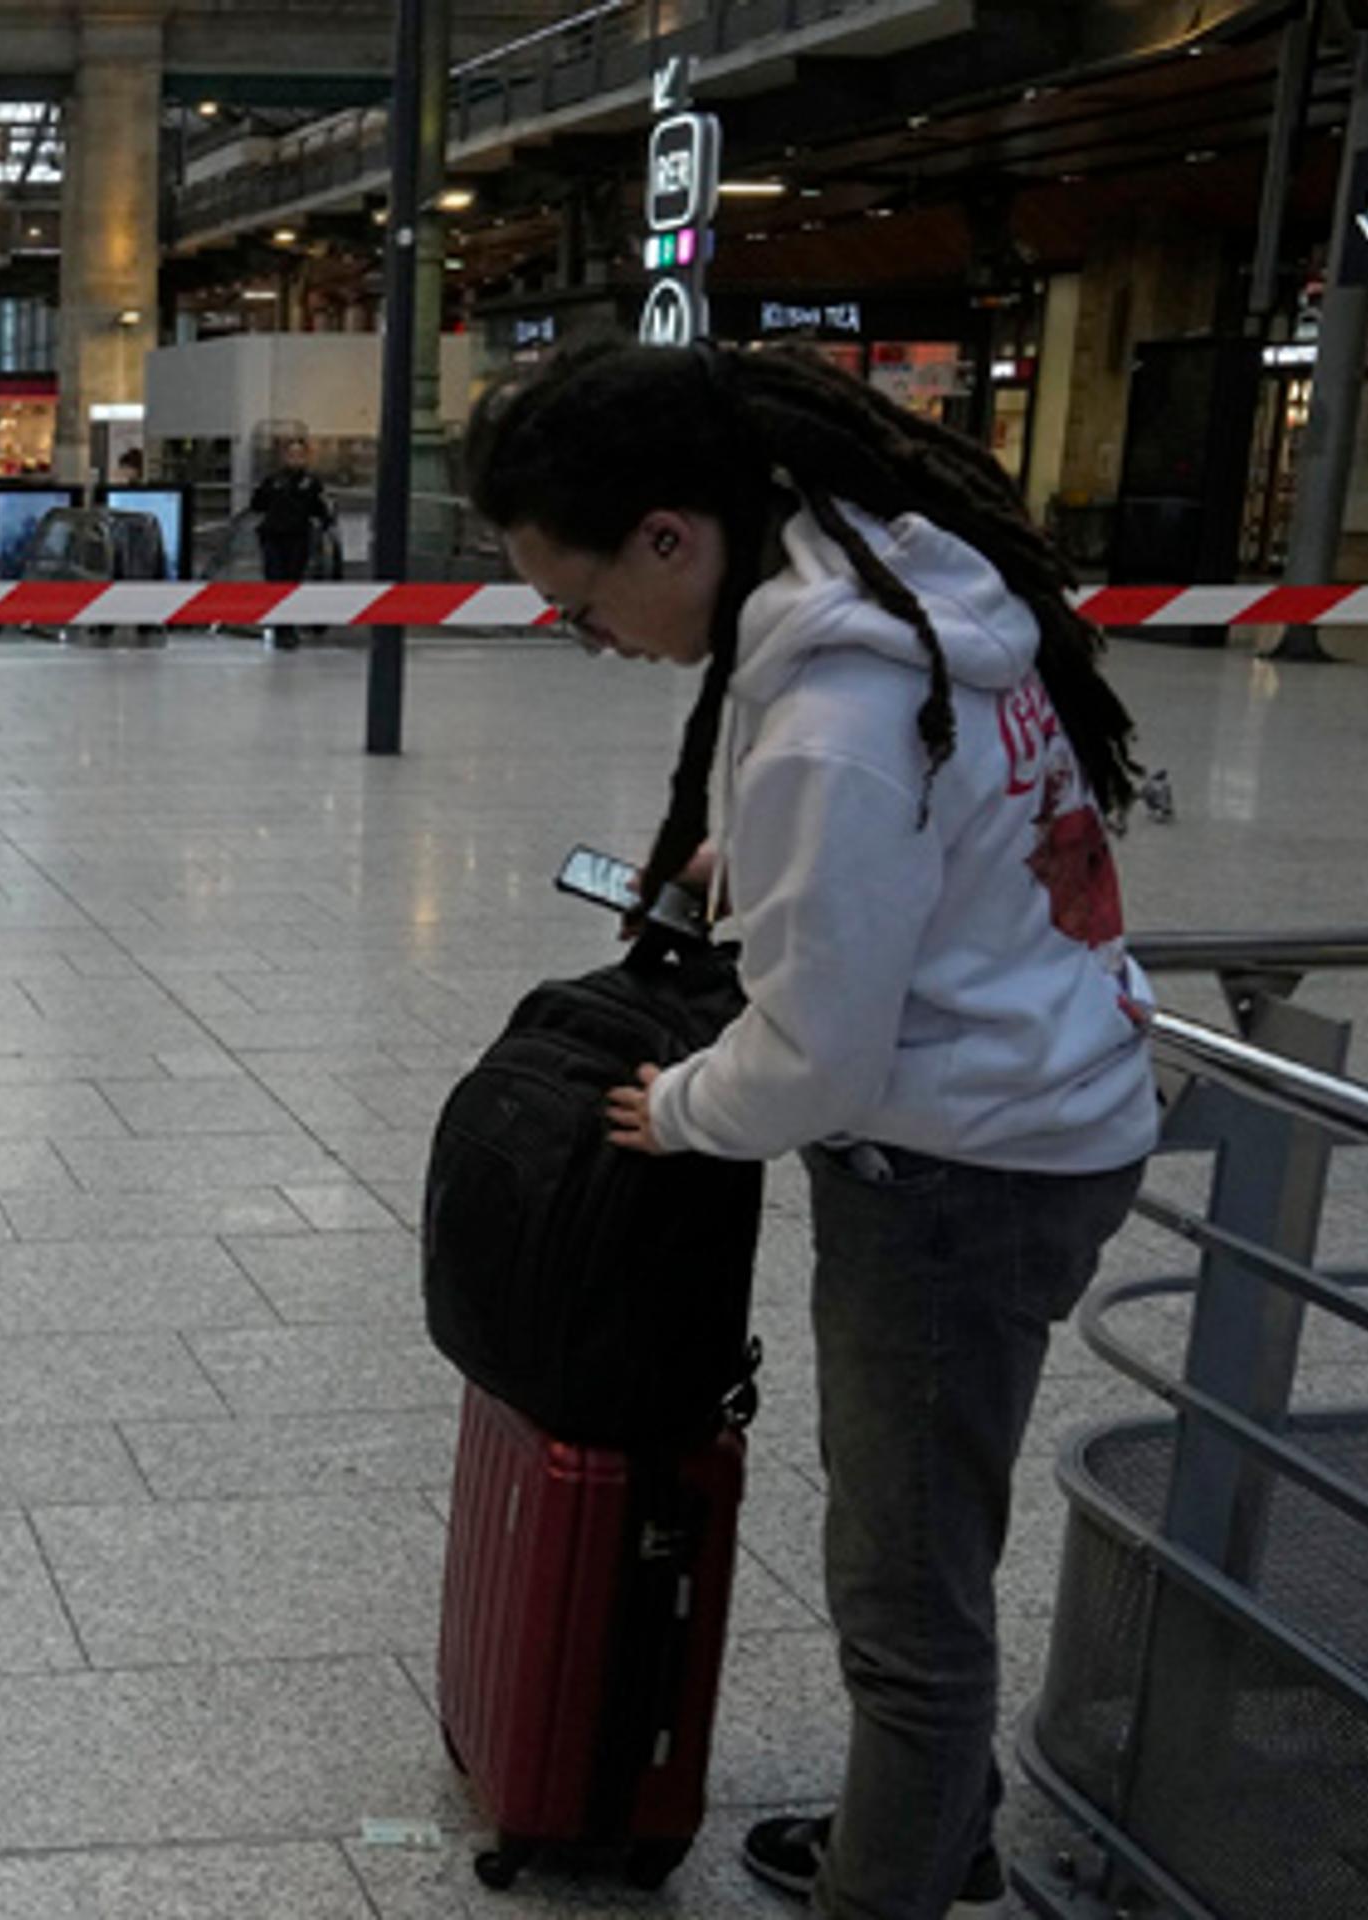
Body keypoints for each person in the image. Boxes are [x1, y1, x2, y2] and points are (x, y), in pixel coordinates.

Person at [464, 339, 1158, 1920]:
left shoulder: (829, 722)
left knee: (901, 1593)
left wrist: (678, 1108)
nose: (585, 636)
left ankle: (892, 1889)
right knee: (930, 1541)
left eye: (578, 605)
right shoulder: (883, 576)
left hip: (957, 1170)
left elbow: (815, 1067)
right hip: (1045, 1105)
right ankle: (928, 1834)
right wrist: (768, 861)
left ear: (667, 536)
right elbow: (911, 843)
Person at [248, 435, 323, 585]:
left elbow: (319, 509)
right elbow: (257, 504)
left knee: (293, 577)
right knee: (274, 576)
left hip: (298, 537)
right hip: (274, 535)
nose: (295, 459)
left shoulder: (311, 482)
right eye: (291, 455)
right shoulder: (273, 480)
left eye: (299, 455)